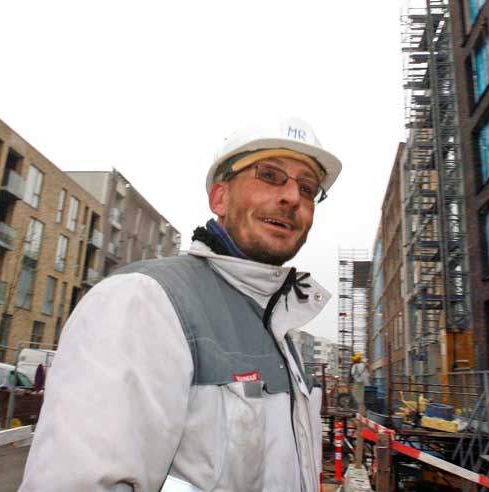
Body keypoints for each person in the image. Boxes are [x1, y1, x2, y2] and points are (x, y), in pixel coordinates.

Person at [19, 117, 342, 491]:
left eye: (307, 188)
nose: (292, 198)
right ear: (220, 198)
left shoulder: (280, 335)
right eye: (270, 176)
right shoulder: (144, 301)